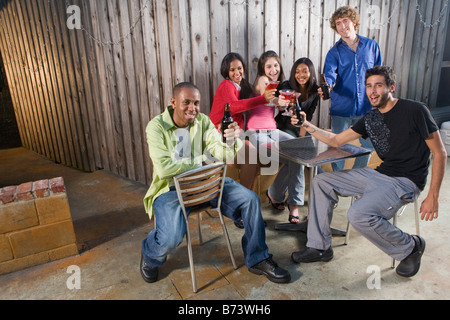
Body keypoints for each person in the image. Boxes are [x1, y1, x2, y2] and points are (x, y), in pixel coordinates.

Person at [290, 66, 447, 278]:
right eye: (369, 86)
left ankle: (411, 246)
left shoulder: (415, 111)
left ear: (391, 87)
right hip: (378, 175)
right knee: (322, 181)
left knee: (358, 214)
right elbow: (335, 140)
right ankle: (320, 247)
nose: (372, 91)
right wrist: (306, 124)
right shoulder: (371, 118)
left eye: (378, 86)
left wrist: (433, 196)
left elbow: (440, 153)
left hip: (404, 182)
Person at [140, 82, 291, 284]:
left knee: (250, 199)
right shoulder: (156, 126)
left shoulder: (202, 121)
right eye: (186, 102)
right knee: (169, 240)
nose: (192, 108)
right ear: (173, 102)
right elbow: (165, 169)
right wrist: (199, 162)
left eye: (196, 103)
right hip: (171, 190)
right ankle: (150, 256)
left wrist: (231, 140)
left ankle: (258, 258)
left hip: (207, 182)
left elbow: (222, 154)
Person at [246, 50, 305, 224]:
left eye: (276, 65)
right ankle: (292, 205)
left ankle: (278, 195)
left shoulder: (275, 85)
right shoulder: (263, 81)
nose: (273, 69)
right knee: (293, 157)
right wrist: (284, 100)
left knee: (298, 153)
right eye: (269, 66)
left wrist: (285, 103)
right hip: (256, 134)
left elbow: (274, 104)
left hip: (272, 131)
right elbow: (271, 98)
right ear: (262, 68)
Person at [321, 6, 382, 171]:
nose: (342, 26)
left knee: (368, 145)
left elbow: (378, 74)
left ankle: (356, 175)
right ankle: (337, 179)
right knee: (336, 147)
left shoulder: (371, 46)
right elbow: (329, 75)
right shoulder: (334, 53)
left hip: (367, 107)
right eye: (338, 23)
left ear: (354, 22)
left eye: (345, 21)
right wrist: (327, 85)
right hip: (342, 108)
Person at [209, 52, 276, 193]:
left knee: (254, 163)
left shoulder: (241, 87)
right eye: (232, 70)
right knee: (251, 155)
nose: (237, 72)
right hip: (218, 133)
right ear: (226, 72)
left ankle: (248, 201)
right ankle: (244, 202)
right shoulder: (226, 85)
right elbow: (234, 106)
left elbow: (247, 106)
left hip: (232, 135)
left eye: (239, 68)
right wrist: (262, 99)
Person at [277, 57, 320, 138]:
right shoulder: (287, 86)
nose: (301, 75)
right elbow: (283, 108)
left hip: (303, 127)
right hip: (285, 127)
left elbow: (308, 116)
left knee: (310, 143)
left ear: (311, 72)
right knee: (292, 143)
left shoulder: (315, 91)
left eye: (305, 71)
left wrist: (301, 136)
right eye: (297, 72)